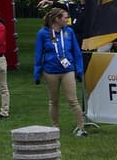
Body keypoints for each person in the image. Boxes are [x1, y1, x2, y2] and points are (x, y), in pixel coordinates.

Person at [33, 7, 88, 137]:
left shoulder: (69, 31)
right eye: (65, 17)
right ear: (57, 19)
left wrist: (79, 69)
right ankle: (55, 127)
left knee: (72, 99)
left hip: (67, 69)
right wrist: (37, 71)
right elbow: (38, 53)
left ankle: (81, 127)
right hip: (50, 70)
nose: (67, 19)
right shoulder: (43, 33)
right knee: (53, 100)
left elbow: (76, 51)